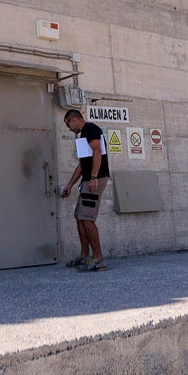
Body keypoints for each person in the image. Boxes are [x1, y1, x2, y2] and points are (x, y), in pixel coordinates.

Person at [61, 109, 110, 272]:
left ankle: (98, 258)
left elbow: (97, 151)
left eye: (68, 124)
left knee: (87, 217)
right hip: (88, 180)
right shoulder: (83, 135)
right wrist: (70, 184)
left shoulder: (90, 128)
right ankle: (84, 255)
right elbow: (82, 165)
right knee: (80, 216)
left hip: (95, 179)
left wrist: (94, 177)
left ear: (73, 119)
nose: (69, 128)